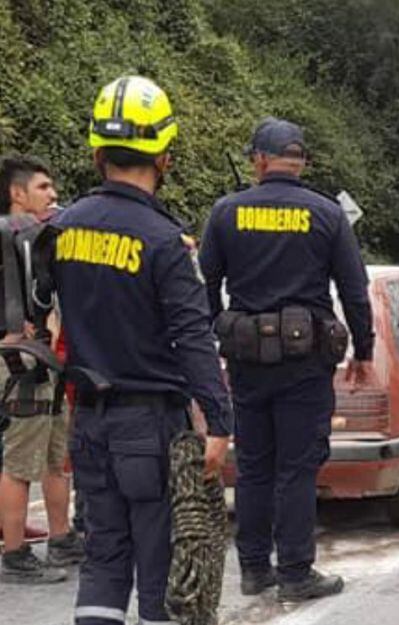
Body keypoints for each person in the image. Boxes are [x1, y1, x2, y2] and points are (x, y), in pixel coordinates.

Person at [54, 75, 234, 625]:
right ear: (166, 156)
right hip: (150, 427)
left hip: (89, 420)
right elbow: (194, 336)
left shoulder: (60, 229)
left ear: (97, 151)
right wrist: (219, 423)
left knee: (104, 558)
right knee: (161, 566)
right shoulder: (164, 240)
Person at [199, 116, 375, 603]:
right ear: (302, 163)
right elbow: (355, 290)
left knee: (254, 464)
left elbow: (205, 284)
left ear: (258, 160)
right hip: (305, 362)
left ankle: (255, 568)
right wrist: (364, 349)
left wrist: (218, 333)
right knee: (297, 467)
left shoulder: (226, 212)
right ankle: (296, 571)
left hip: (247, 360)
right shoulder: (326, 214)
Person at [0, 155, 85, 584]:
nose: (52, 196)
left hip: (43, 356)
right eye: (43, 188)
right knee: (20, 461)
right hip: (22, 360)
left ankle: (62, 537)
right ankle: (14, 554)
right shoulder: (14, 230)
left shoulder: (35, 238)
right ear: (17, 194)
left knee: (55, 456)